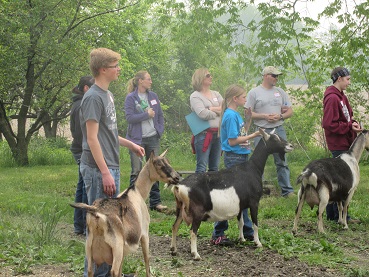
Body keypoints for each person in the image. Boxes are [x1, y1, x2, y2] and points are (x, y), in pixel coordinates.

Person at [79, 48, 145, 277]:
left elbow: (109, 134)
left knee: (109, 224)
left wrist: (131, 145)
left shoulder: (107, 95)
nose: (119, 69)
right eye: (115, 65)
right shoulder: (93, 98)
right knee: (99, 225)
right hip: (99, 170)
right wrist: (105, 172)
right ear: (103, 69)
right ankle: (97, 274)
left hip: (110, 167)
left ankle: (107, 272)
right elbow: (91, 138)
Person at [212, 84, 260, 246]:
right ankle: (219, 232)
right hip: (235, 159)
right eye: (243, 97)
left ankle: (246, 230)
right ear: (235, 98)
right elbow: (233, 141)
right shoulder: (231, 116)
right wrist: (254, 135)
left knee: (242, 195)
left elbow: (241, 134)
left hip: (240, 157)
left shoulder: (235, 115)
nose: (246, 99)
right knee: (231, 196)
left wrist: (248, 120)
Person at [245, 66, 295, 197]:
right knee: (258, 161)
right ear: (266, 75)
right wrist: (265, 116)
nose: (276, 78)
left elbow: (290, 111)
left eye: (277, 76)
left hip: (278, 129)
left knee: (282, 161)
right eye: (274, 75)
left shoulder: (280, 92)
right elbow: (248, 114)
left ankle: (287, 191)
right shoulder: (254, 93)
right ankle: (257, 190)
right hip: (261, 131)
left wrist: (281, 116)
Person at [322, 66, 362, 223]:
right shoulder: (332, 98)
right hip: (338, 144)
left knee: (338, 180)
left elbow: (346, 118)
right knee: (342, 181)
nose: (349, 82)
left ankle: (335, 216)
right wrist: (348, 127)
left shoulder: (341, 96)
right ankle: (340, 216)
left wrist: (353, 123)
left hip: (346, 141)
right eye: (347, 79)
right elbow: (328, 123)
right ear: (339, 79)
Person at [124, 70, 167, 212]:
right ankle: (132, 203)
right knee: (136, 170)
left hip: (153, 137)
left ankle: (155, 202)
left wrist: (159, 129)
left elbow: (159, 114)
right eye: (148, 79)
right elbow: (129, 118)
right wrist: (146, 115)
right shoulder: (131, 98)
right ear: (140, 81)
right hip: (137, 140)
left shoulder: (153, 96)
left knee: (155, 169)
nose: (151, 81)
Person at [70, 75, 94, 236]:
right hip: (82, 150)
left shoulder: (80, 103)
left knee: (81, 187)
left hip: (80, 148)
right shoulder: (80, 106)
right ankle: (85, 227)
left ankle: (79, 225)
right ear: (86, 88)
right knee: (86, 188)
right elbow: (80, 133)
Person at [190, 68, 223, 173]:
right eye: (208, 75)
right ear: (200, 78)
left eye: (210, 75)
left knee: (214, 168)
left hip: (218, 134)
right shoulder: (195, 96)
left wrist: (211, 109)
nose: (211, 77)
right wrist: (218, 111)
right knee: (201, 168)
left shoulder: (216, 94)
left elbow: (226, 109)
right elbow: (202, 114)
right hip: (203, 134)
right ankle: (198, 189)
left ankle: (211, 189)